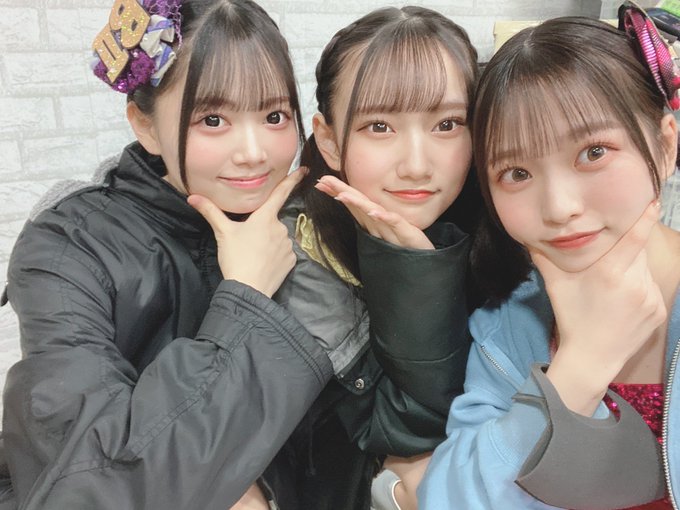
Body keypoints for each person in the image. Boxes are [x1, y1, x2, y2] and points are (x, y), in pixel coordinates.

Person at [0, 1, 336, 508]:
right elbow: (90, 484)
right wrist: (245, 296)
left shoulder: (310, 226)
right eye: (213, 119)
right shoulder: (68, 248)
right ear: (146, 124)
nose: (254, 152)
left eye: (274, 116)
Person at [419, 8, 680, 510]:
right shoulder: (509, 324)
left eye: (593, 152)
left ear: (665, 145)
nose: (559, 208)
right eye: (516, 173)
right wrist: (580, 368)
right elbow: (451, 499)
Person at [276, 6, 480, 509]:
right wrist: (415, 273)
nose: (416, 165)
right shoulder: (298, 250)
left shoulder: (501, 217)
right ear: (329, 139)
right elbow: (394, 433)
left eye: (448, 124)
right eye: (380, 126)